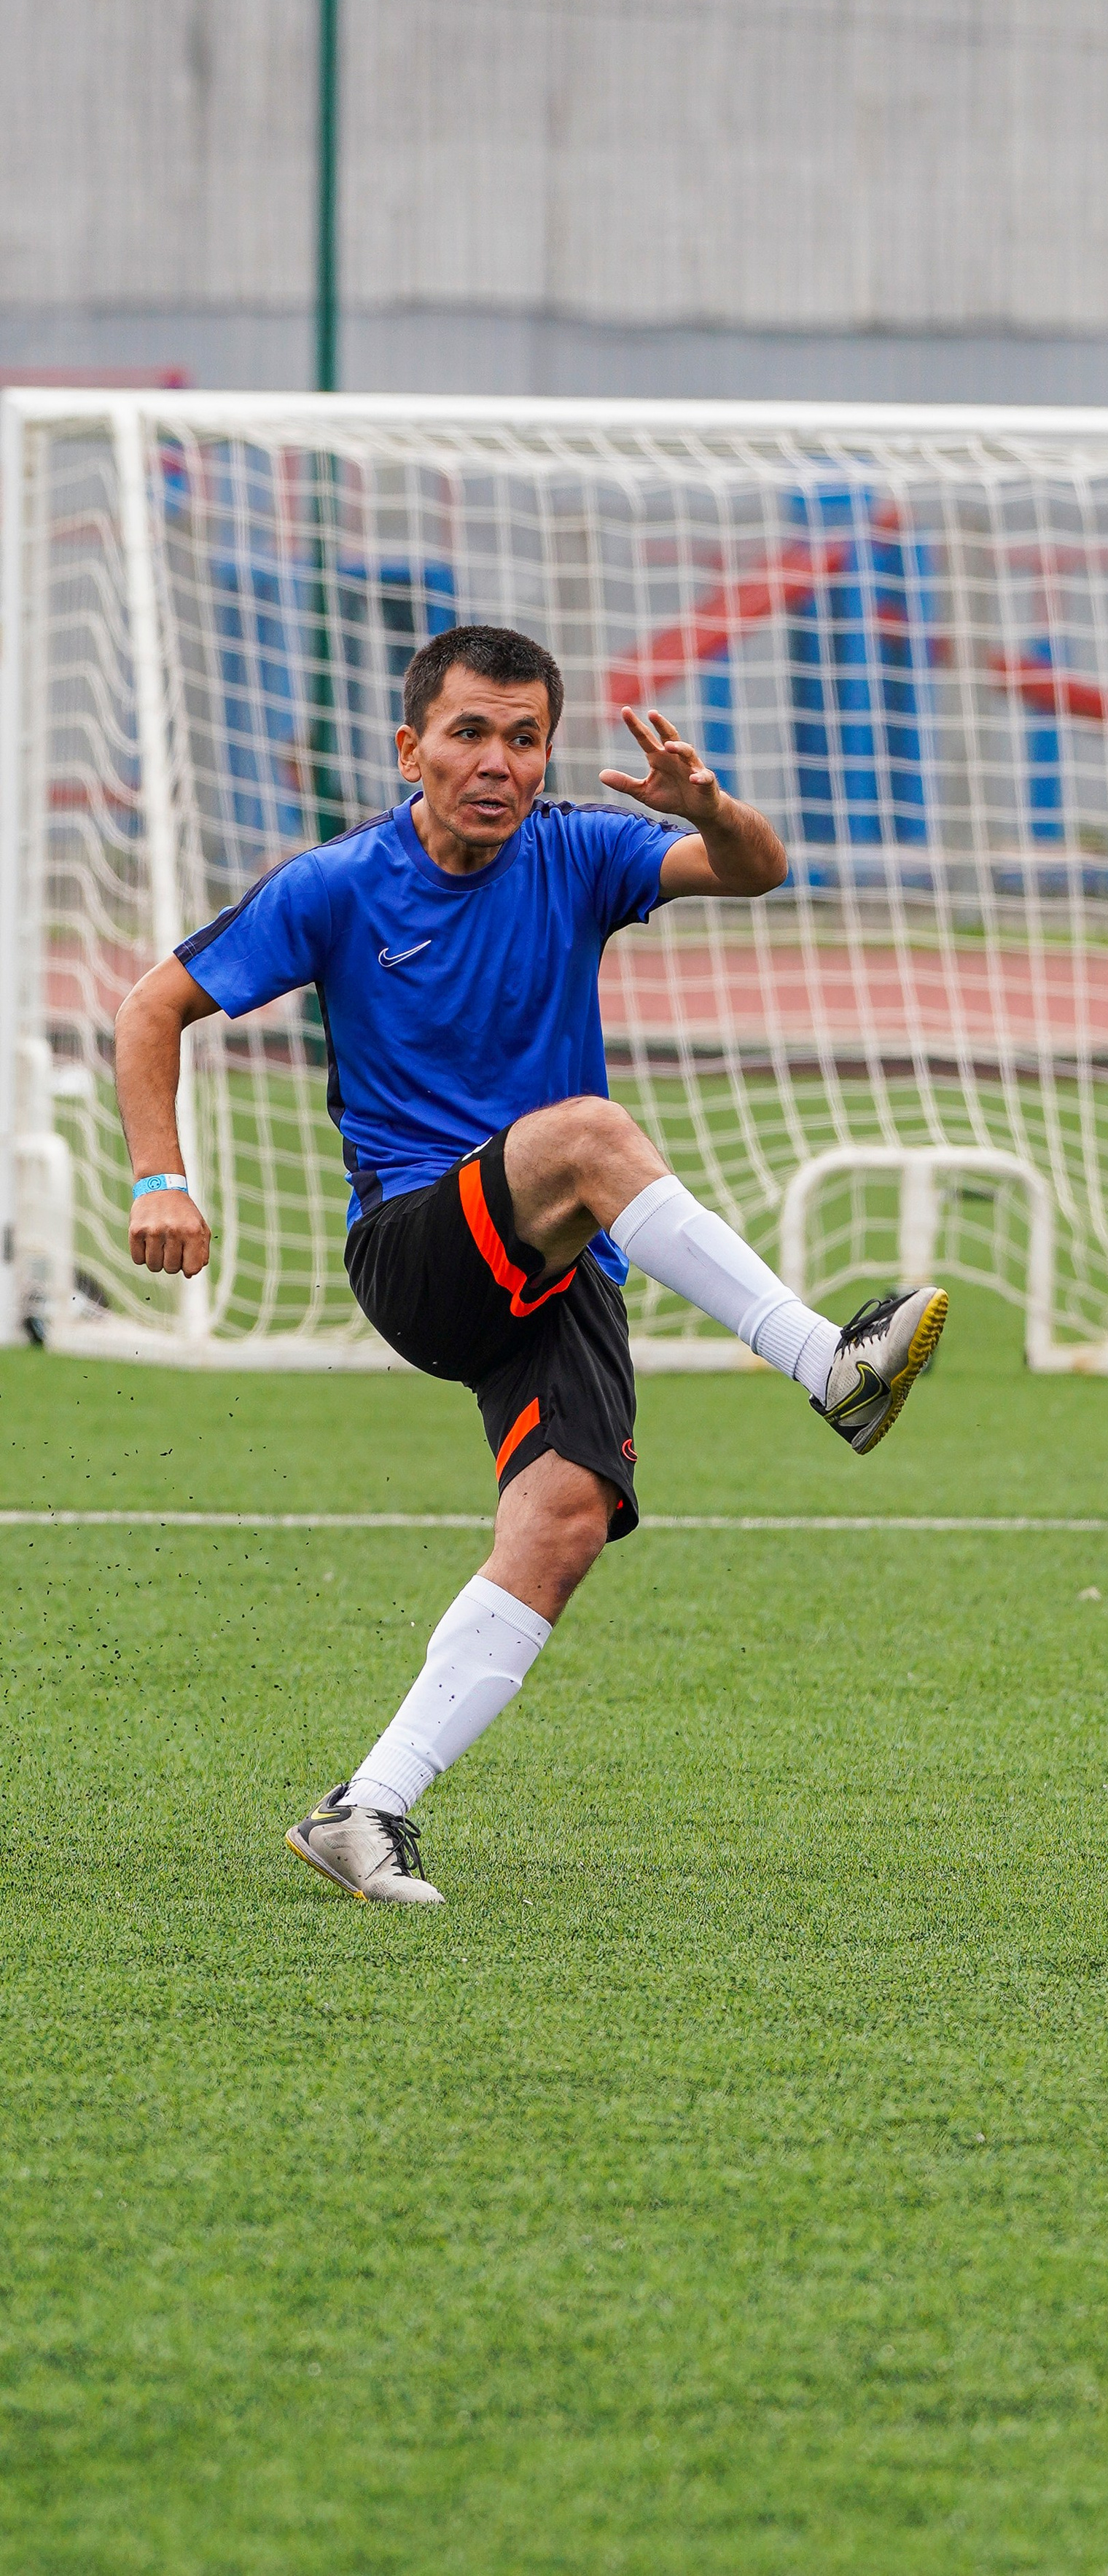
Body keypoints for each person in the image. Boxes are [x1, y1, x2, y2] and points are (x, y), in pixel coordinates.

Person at [114, 622, 947, 1908]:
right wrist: (161, 1177)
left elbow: (760, 874)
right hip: (418, 1251)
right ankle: (825, 1364)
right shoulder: (338, 883)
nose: (498, 761)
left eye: (523, 737)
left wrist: (713, 810)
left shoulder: (576, 849)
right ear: (412, 747)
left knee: (561, 1525)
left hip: (558, 1253)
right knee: (593, 1133)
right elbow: (149, 1005)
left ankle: (365, 1807)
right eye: (469, 733)